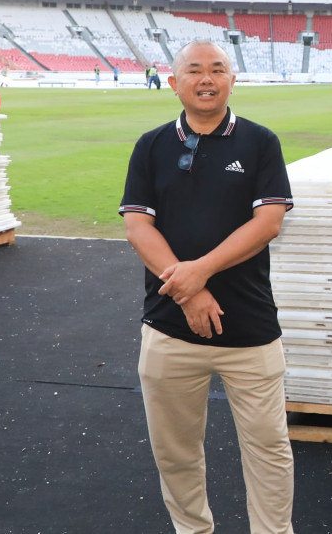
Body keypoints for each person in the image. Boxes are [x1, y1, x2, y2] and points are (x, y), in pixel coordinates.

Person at [119, 40, 296, 534]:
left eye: (217, 69)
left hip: (251, 328)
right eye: (194, 70)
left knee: (269, 450)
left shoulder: (260, 142)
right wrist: (189, 289)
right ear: (173, 82)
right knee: (174, 453)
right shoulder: (151, 146)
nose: (206, 79)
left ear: (231, 80)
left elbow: (268, 223)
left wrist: (199, 271)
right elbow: (138, 227)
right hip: (170, 327)